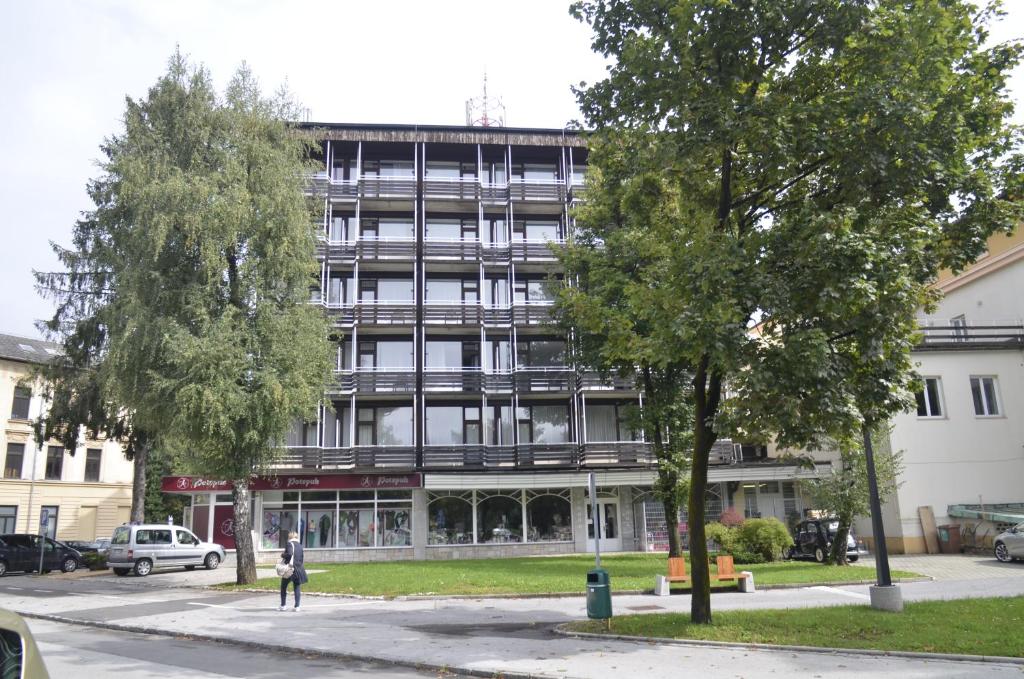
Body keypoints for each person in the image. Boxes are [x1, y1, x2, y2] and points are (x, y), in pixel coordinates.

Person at [279, 531, 308, 612]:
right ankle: (297, 606)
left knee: (283, 586)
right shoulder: (300, 545)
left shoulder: (289, 544)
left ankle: (283, 605)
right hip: (299, 569)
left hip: (290, 569)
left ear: (290, 537)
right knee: (297, 587)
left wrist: (282, 555)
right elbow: (302, 558)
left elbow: (290, 554)